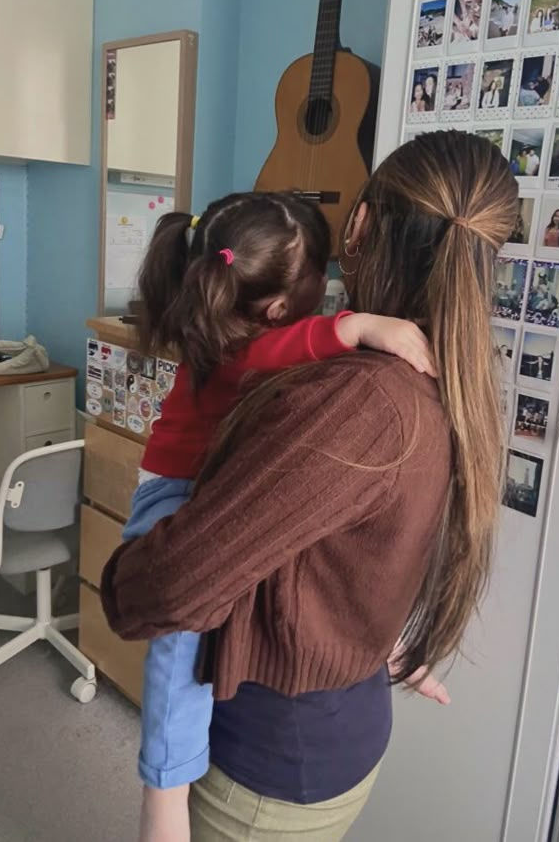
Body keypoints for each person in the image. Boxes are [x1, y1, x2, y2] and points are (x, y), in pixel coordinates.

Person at [101, 131, 519, 842]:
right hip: (331, 721)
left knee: (172, 641)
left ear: (358, 226)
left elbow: (171, 586)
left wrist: (120, 584)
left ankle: (160, 797)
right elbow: (351, 546)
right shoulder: (435, 369)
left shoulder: (358, 399)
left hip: (276, 753)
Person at [119, 192, 438, 842]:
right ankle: (165, 787)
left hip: (209, 478)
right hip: (174, 492)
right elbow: (264, 357)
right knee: (184, 626)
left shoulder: (232, 313)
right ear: (275, 308)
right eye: (323, 275)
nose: (333, 288)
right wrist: (354, 328)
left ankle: (391, 647)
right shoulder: (233, 344)